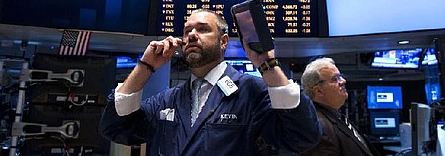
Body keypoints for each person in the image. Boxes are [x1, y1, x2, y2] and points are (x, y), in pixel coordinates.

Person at [98, 9, 322, 155]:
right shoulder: (168, 98)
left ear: (223, 42)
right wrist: (145, 66)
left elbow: (303, 136)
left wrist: (266, 64)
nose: (192, 35)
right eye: (187, 31)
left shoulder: (252, 91)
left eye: (203, 29)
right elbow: (116, 127)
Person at [300, 57, 379, 156]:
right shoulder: (318, 125)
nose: (343, 81)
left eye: (340, 76)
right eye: (335, 79)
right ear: (319, 90)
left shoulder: (335, 116)